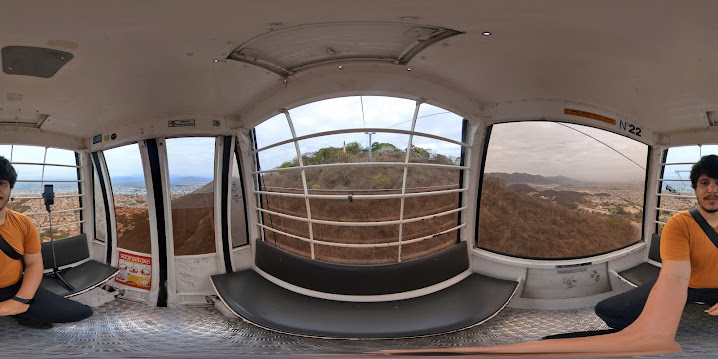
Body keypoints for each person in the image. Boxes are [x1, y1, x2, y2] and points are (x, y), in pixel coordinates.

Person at [376, 156, 718, 357]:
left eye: (717, 183)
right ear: (695, 188)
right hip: (686, 287)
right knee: (607, 309)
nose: (712, 189)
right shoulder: (680, 223)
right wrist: (658, 324)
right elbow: (674, 276)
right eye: (704, 183)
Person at [0, 156, 92, 329]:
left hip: (14, 287)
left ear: (10, 188)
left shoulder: (23, 223)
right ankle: (17, 312)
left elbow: (34, 264)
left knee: (81, 312)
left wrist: (20, 299)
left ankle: (19, 311)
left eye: (2, 183)